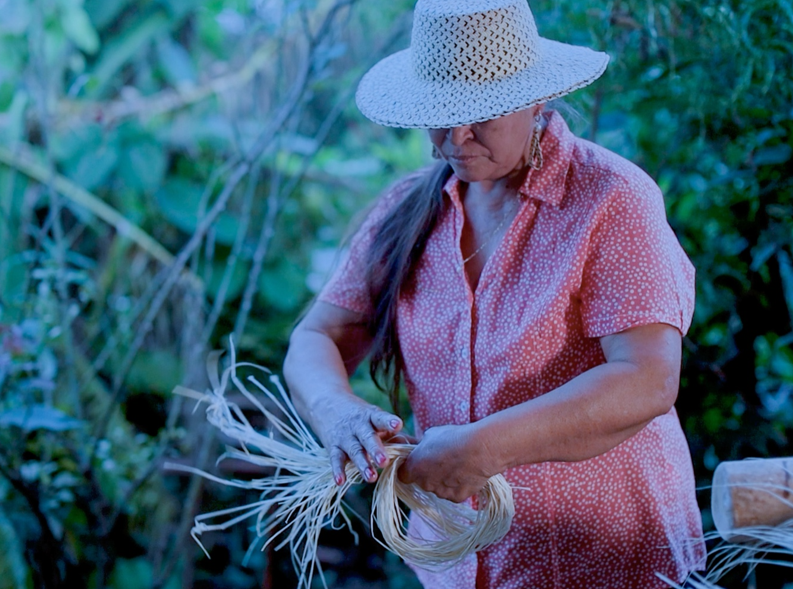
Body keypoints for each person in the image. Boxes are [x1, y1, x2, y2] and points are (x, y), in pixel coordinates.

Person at [283, 0, 706, 587]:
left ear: (537, 100)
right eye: (440, 113)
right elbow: (317, 336)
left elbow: (647, 378)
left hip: (606, 558)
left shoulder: (611, 198)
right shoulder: (408, 210)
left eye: (480, 113)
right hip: (457, 565)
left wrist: (484, 448)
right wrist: (337, 410)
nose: (456, 136)